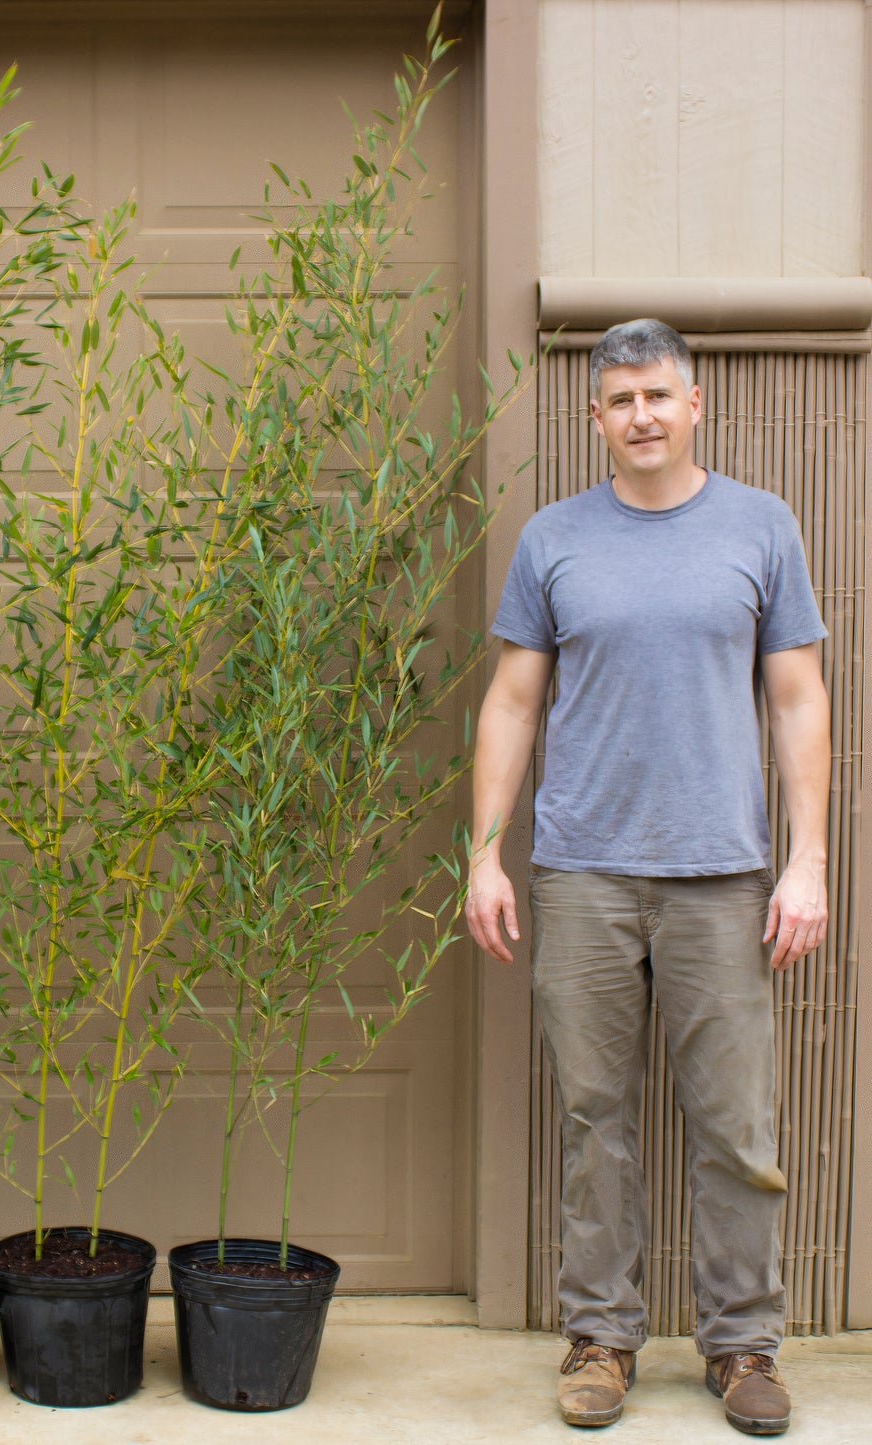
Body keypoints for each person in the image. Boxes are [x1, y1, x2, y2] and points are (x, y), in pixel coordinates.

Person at [465, 318, 830, 1437]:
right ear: (594, 416)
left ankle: (741, 1345)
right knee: (594, 1114)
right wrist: (482, 851)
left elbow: (797, 699)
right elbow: (513, 701)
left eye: (656, 395)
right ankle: (600, 1337)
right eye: (618, 399)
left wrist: (806, 858)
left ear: (693, 400)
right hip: (579, 870)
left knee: (733, 1122)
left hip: (720, 871)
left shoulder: (759, 526)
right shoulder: (553, 538)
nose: (639, 416)